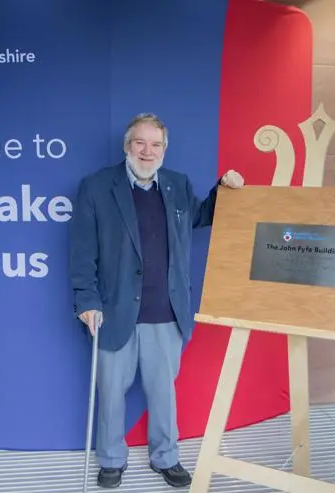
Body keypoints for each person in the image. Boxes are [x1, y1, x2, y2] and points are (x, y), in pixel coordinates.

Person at [69, 113, 244, 488]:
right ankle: (112, 460)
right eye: (140, 143)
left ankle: (166, 457)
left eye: (156, 144)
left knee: (163, 393)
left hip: (166, 311)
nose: (148, 151)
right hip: (113, 312)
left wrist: (223, 190)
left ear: (165, 149)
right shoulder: (97, 187)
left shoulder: (177, 185)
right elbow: (82, 251)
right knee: (111, 392)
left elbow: (199, 216)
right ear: (127, 146)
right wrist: (86, 300)